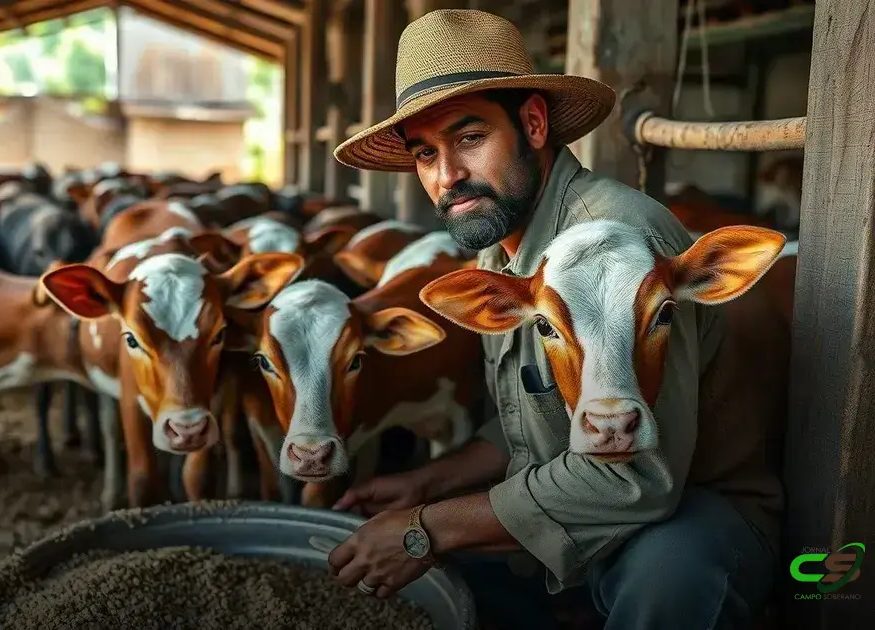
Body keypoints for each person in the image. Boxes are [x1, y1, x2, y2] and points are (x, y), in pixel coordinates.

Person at [326, 9, 783, 629]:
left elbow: (637, 480)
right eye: (426, 154)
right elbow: (534, 412)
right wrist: (429, 482)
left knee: (672, 570)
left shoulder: (617, 243)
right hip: (579, 505)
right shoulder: (505, 244)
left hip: (689, 513)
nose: (448, 177)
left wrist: (424, 530)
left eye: (468, 138)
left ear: (534, 124)